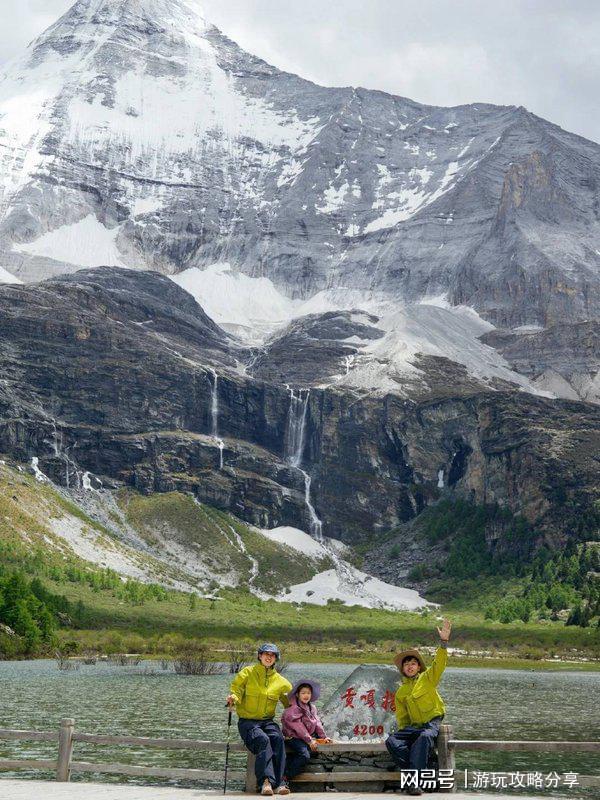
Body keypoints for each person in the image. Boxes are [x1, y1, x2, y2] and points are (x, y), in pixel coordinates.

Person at [385, 619, 452, 796]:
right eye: (406, 665)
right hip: (413, 727)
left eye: (413, 663)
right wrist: (404, 734)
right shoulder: (401, 692)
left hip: (432, 724)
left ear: (418, 666)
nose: (409, 666)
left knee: (423, 738)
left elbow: (439, 664)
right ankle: (419, 770)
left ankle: (413, 783)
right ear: (403, 669)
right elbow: (402, 718)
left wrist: (443, 643)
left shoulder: (428, 678)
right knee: (392, 741)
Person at [227, 643, 293, 796]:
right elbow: (236, 690)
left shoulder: (281, 682)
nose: (269, 657)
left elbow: (291, 705)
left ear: (276, 659)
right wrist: (233, 698)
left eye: (272, 655)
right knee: (263, 740)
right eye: (266, 654)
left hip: (267, 722)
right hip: (248, 722)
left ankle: (280, 783)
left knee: (277, 738)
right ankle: (266, 782)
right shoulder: (247, 673)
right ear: (259, 656)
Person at [281, 679, 332, 781]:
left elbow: (317, 722)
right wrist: (309, 740)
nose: (306, 695)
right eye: (303, 693)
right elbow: (299, 727)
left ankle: (284, 773)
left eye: (308, 693)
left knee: (311, 751)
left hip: (305, 737)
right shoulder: (293, 709)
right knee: (304, 755)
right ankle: (285, 777)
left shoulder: (312, 707)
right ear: (297, 695)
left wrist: (323, 737)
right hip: (293, 737)